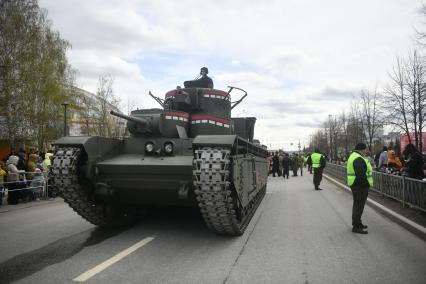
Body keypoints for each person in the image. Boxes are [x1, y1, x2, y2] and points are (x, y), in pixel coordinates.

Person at [347, 143, 372, 234]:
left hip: (355, 184)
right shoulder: (358, 158)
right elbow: (361, 174)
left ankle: (358, 223)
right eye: (366, 149)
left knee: (357, 204)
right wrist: (366, 184)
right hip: (359, 185)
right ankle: (356, 226)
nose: (367, 150)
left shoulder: (354, 156)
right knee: (359, 205)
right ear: (362, 149)